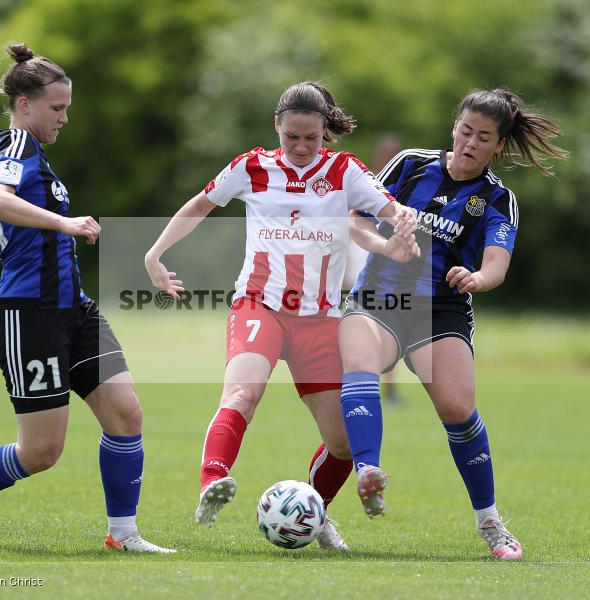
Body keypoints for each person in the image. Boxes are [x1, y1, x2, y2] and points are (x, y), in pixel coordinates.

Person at [0, 43, 175, 554]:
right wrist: (64, 222)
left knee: (126, 415)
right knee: (41, 451)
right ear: (24, 104)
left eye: (67, 107)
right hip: (30, 316)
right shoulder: (16, 147)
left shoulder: (25, 156)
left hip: (75, 310)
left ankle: (123, 534)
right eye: (57, 107)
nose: (65, 117)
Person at [144, 81, 415, 550]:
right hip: (259, 305)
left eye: (312, 137)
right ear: (277, 127)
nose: (302, 147)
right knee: (242, 391)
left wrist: (404, 227)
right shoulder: (252, 166)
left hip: (320, 319)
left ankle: (317, 512)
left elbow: (392, 210)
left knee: (343, 443)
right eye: (293, 137)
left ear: (326, 131)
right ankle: (213, 480)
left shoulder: (345, 170)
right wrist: (155, 254)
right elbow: (199, 205)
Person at [339, 88, 567, 560]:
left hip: (441, 310)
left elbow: (496, 265)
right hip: (380, 297)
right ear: (454, 127)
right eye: (465, 131)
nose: (470, 143)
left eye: (483, 137)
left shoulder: (498, 200)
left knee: (458, 410)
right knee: (360, 363)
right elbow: (355, 221)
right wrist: (384, 246)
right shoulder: (408, 164)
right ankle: (368, 473)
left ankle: (491, 523)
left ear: (499, 145)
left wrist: (477, 278)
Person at [343, 134, 404, 403]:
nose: (389, 157)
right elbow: (350, 225)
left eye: (395, 152)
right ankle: (356, 386)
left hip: (387, 270)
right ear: (378, 154)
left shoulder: (402, 185)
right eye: (386, 152)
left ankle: (386, 390)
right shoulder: (364, 185)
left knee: (388, 327)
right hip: (359, 263)